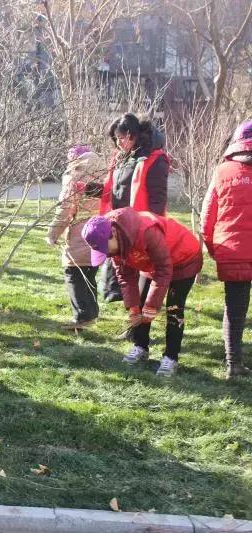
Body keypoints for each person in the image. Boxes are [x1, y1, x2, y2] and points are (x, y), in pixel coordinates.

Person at [82, 208, 202, 377]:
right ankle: (140, 346)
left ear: (113, 234)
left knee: (174, 309)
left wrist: (152, 307)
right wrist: (133, 308)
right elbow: (125, 276)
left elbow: (164, 269)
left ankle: (170, 357)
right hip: (152, 262)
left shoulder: (146, 231)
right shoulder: (115, 246)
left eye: (104, 248)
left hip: (183, 259)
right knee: (140, 303)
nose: (106, 253)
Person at [201, 120, 252, 379]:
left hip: (231, 250)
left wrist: (214, 248)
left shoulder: (223, 170)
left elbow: (207, 217)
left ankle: (234, 365)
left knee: (235, 309)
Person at [100, 113, 170, 303]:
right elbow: (113, 187)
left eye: (121, 138)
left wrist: (152, 227)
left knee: (141, 268)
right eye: (115, 139)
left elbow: (158, 197)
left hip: (141, 223)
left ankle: (139, 317)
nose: (118, 143)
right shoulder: (120, 157)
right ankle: (127, 305)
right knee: (120, 266)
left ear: (133, 135)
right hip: (118, 220)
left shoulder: (154, 158)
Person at [46, 145, 103, 330]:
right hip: (101, 230)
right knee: (89, 273)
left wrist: (52, 233)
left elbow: (65, 209)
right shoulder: (104, 172)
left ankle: (82, 317)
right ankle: (92, 313)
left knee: (73, 273)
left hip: (80, 231)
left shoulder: (75, 175)